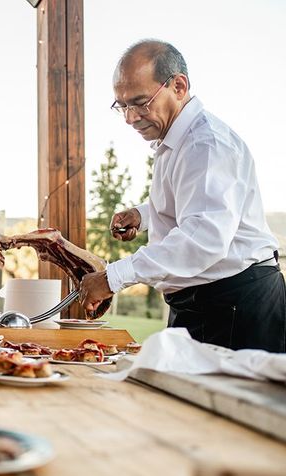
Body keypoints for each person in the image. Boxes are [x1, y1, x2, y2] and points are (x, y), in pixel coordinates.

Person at [80, 40, 285, 353]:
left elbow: (203, 238)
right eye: (122, 106)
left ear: (178, 85)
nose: (130, 118)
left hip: (234, 307)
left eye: (140, 103)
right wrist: (144, 215)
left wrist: (113, 277)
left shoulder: (205, 145)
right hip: (203, 303)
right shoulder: (177, 140)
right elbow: (194, 202)